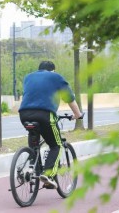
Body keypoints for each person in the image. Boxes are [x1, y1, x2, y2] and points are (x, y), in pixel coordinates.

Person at [18, 60, 83, 189]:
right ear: (53, 70)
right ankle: (48, 174)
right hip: (45, 114)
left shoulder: (29, 77)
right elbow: (70, 98)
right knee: (56, 145)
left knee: (34, 144)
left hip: (24, 113)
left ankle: (32, 169)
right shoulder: (55, 77)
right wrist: (78, 115)